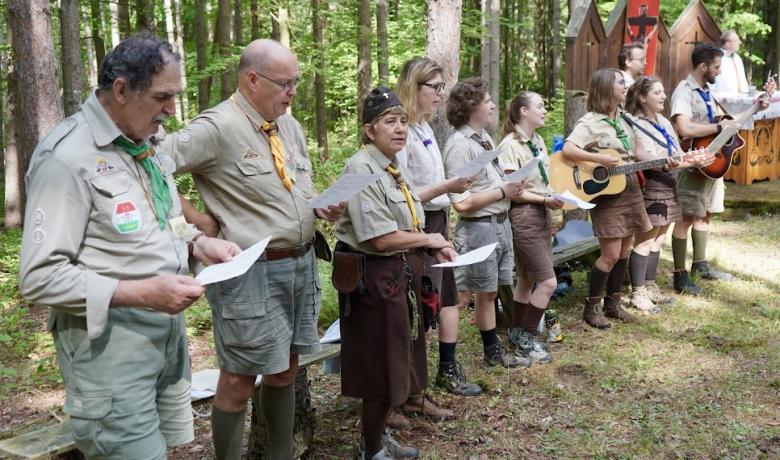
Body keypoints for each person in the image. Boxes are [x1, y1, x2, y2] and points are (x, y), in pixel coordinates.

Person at [18, 35, 240, 459]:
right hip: (109, 355)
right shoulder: (67, 159)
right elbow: (38, 277)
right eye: (162, 96)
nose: (172, 110)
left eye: (175, 96)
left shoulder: (145, 145)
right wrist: (142, 293)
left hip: (165, 343)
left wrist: (199, 244)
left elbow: (165, 220)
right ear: (121, 90)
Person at [159, 39, 345, 460]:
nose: (293, 92)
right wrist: (194, 222)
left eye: (297, 82)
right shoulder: (218, 127)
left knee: (285, 370)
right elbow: (152, 162)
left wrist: (321, 206)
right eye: (285, 84)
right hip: (251, 274)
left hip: (300, 265)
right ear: (252, 79)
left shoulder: (288, 127)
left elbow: (296, 187)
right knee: (240, 378)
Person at [333, 86, 458, 460]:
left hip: (394, 274)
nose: (401, 128)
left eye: (403, 121)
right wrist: (430, 238)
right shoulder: (361, 168)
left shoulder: (390, 164)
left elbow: (404, 212)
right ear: (370, 130)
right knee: (379, 367)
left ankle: (378, 438)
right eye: (390, 122)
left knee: (396, 358)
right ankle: (369, 450)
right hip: (372, 279)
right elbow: (382, 238)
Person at [388, 57, 467, 425]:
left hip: (436, 221)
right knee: (413, 312)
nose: (441, 94)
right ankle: (402, 395)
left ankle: (416, 392)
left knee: (426, 312)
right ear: (413, 87)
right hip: (414, 227)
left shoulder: (425, 128)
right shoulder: (399, 132)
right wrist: (448, 187)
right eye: (434, 87)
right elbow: (402, 194)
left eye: (442, 87)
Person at [443, 77, 528, 379]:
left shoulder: (485, 139)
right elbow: (461, 202)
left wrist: (512, 184)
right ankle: (446, 363)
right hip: (478, 229)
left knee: (489, 292)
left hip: (500, 225)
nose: (493, 104)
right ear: (470, 106)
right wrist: (503, 193)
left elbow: (491, 182)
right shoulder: (459, 146)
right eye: (487, 100)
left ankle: (493, 353)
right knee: (462, 295)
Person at [669, 43, 768, 294]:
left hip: (712, 165)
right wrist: (717, 129)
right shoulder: (685, 91)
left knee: (705, 214)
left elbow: (729, 124)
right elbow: (685, 129)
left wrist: (757, 106)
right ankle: (680, 277)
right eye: (716, 67)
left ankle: (700, 265)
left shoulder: (706, 91)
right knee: (685, 219)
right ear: (703, 66)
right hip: (693, 166)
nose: (719, 72)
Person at [562, 68, 653, 329]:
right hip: (607, 194)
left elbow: (637, 152)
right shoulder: (590, 122)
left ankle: (613, 304)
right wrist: (599, 159)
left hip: (631, 187)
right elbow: (569, 149)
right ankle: (592, 308)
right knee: (610, 254)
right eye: (620, 83)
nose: (626, 86)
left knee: (624, 249)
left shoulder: (626, 119)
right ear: (605, 89)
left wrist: (664, 162)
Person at [624, 76, 711, 312]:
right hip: (651, 185)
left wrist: (696, 159)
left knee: (659, 238)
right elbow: (641, 157)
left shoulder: (663, 120)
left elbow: (678, 153)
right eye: (657, 92)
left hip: (668, 183)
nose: (664, 96)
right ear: (642, 97)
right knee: (645, 240)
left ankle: (650, 286)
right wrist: (671, 164)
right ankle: (637, 293)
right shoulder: (633, 122)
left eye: (664, 92)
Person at [496, 91, 563, 363]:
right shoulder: (510, 145)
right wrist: (546, 199)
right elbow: (514, 192)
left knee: (526, 279)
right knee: (548, 282)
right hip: (524, 216)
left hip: (541, 214)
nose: (545, 110)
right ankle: (527, 336)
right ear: (523, 111)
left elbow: (541, 182)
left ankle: (516, 332)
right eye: (540, 105)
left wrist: (553, 201)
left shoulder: (537, 141)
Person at [711, 30, 749, 95]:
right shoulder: (717, 58)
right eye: (736, 41)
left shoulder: (737, 58)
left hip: (740, 98)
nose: (739, 42)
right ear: (727, 43)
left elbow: (742, 79)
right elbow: (712, 79)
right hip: (723, 98)